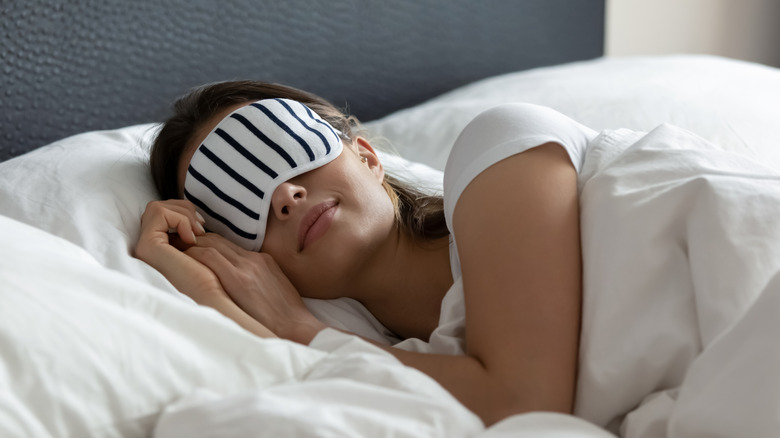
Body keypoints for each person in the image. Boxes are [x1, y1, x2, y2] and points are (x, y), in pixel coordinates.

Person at [134, 80, 588, 427]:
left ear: (368, 157)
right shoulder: (409, 365)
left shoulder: (501, 152)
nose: (284, 197)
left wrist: (298, 327)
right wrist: (211, 294)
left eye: (285, 151)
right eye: (238, 205)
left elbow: (524, 407)